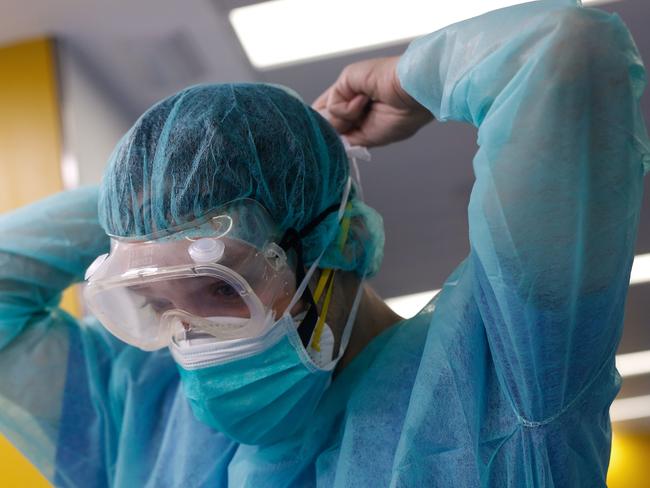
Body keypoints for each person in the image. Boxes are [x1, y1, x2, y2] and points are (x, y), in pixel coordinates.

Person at [0, 0, 648, 486]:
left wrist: (406, 81)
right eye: (152, 303)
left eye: (217, 289)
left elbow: (567, 53)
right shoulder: (145, 422)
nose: (188, 337)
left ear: (338, 245)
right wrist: (156, 201)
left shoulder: (508, 385)